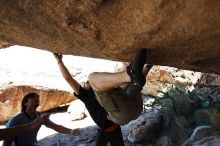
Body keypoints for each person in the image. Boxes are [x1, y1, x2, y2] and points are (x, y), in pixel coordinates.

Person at [53, 48, 153, 146]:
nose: (86, 82)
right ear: (85, 88)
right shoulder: (86, 95)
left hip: (129, 112)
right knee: (94, 78)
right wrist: (59, 61)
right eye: (85, 83)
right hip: (122, 115)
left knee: (131, 87)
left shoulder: (104, 91)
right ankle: (132, 73)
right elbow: (68, 79)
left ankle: (146, 67)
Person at [3, 92, 81, 146]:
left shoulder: (39, 116)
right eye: (32, 97)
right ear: (25, 103)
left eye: (37, 97)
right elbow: (7, 141)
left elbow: (55, 126)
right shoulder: (16, 120)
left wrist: (71, 131)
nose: (37, 97)